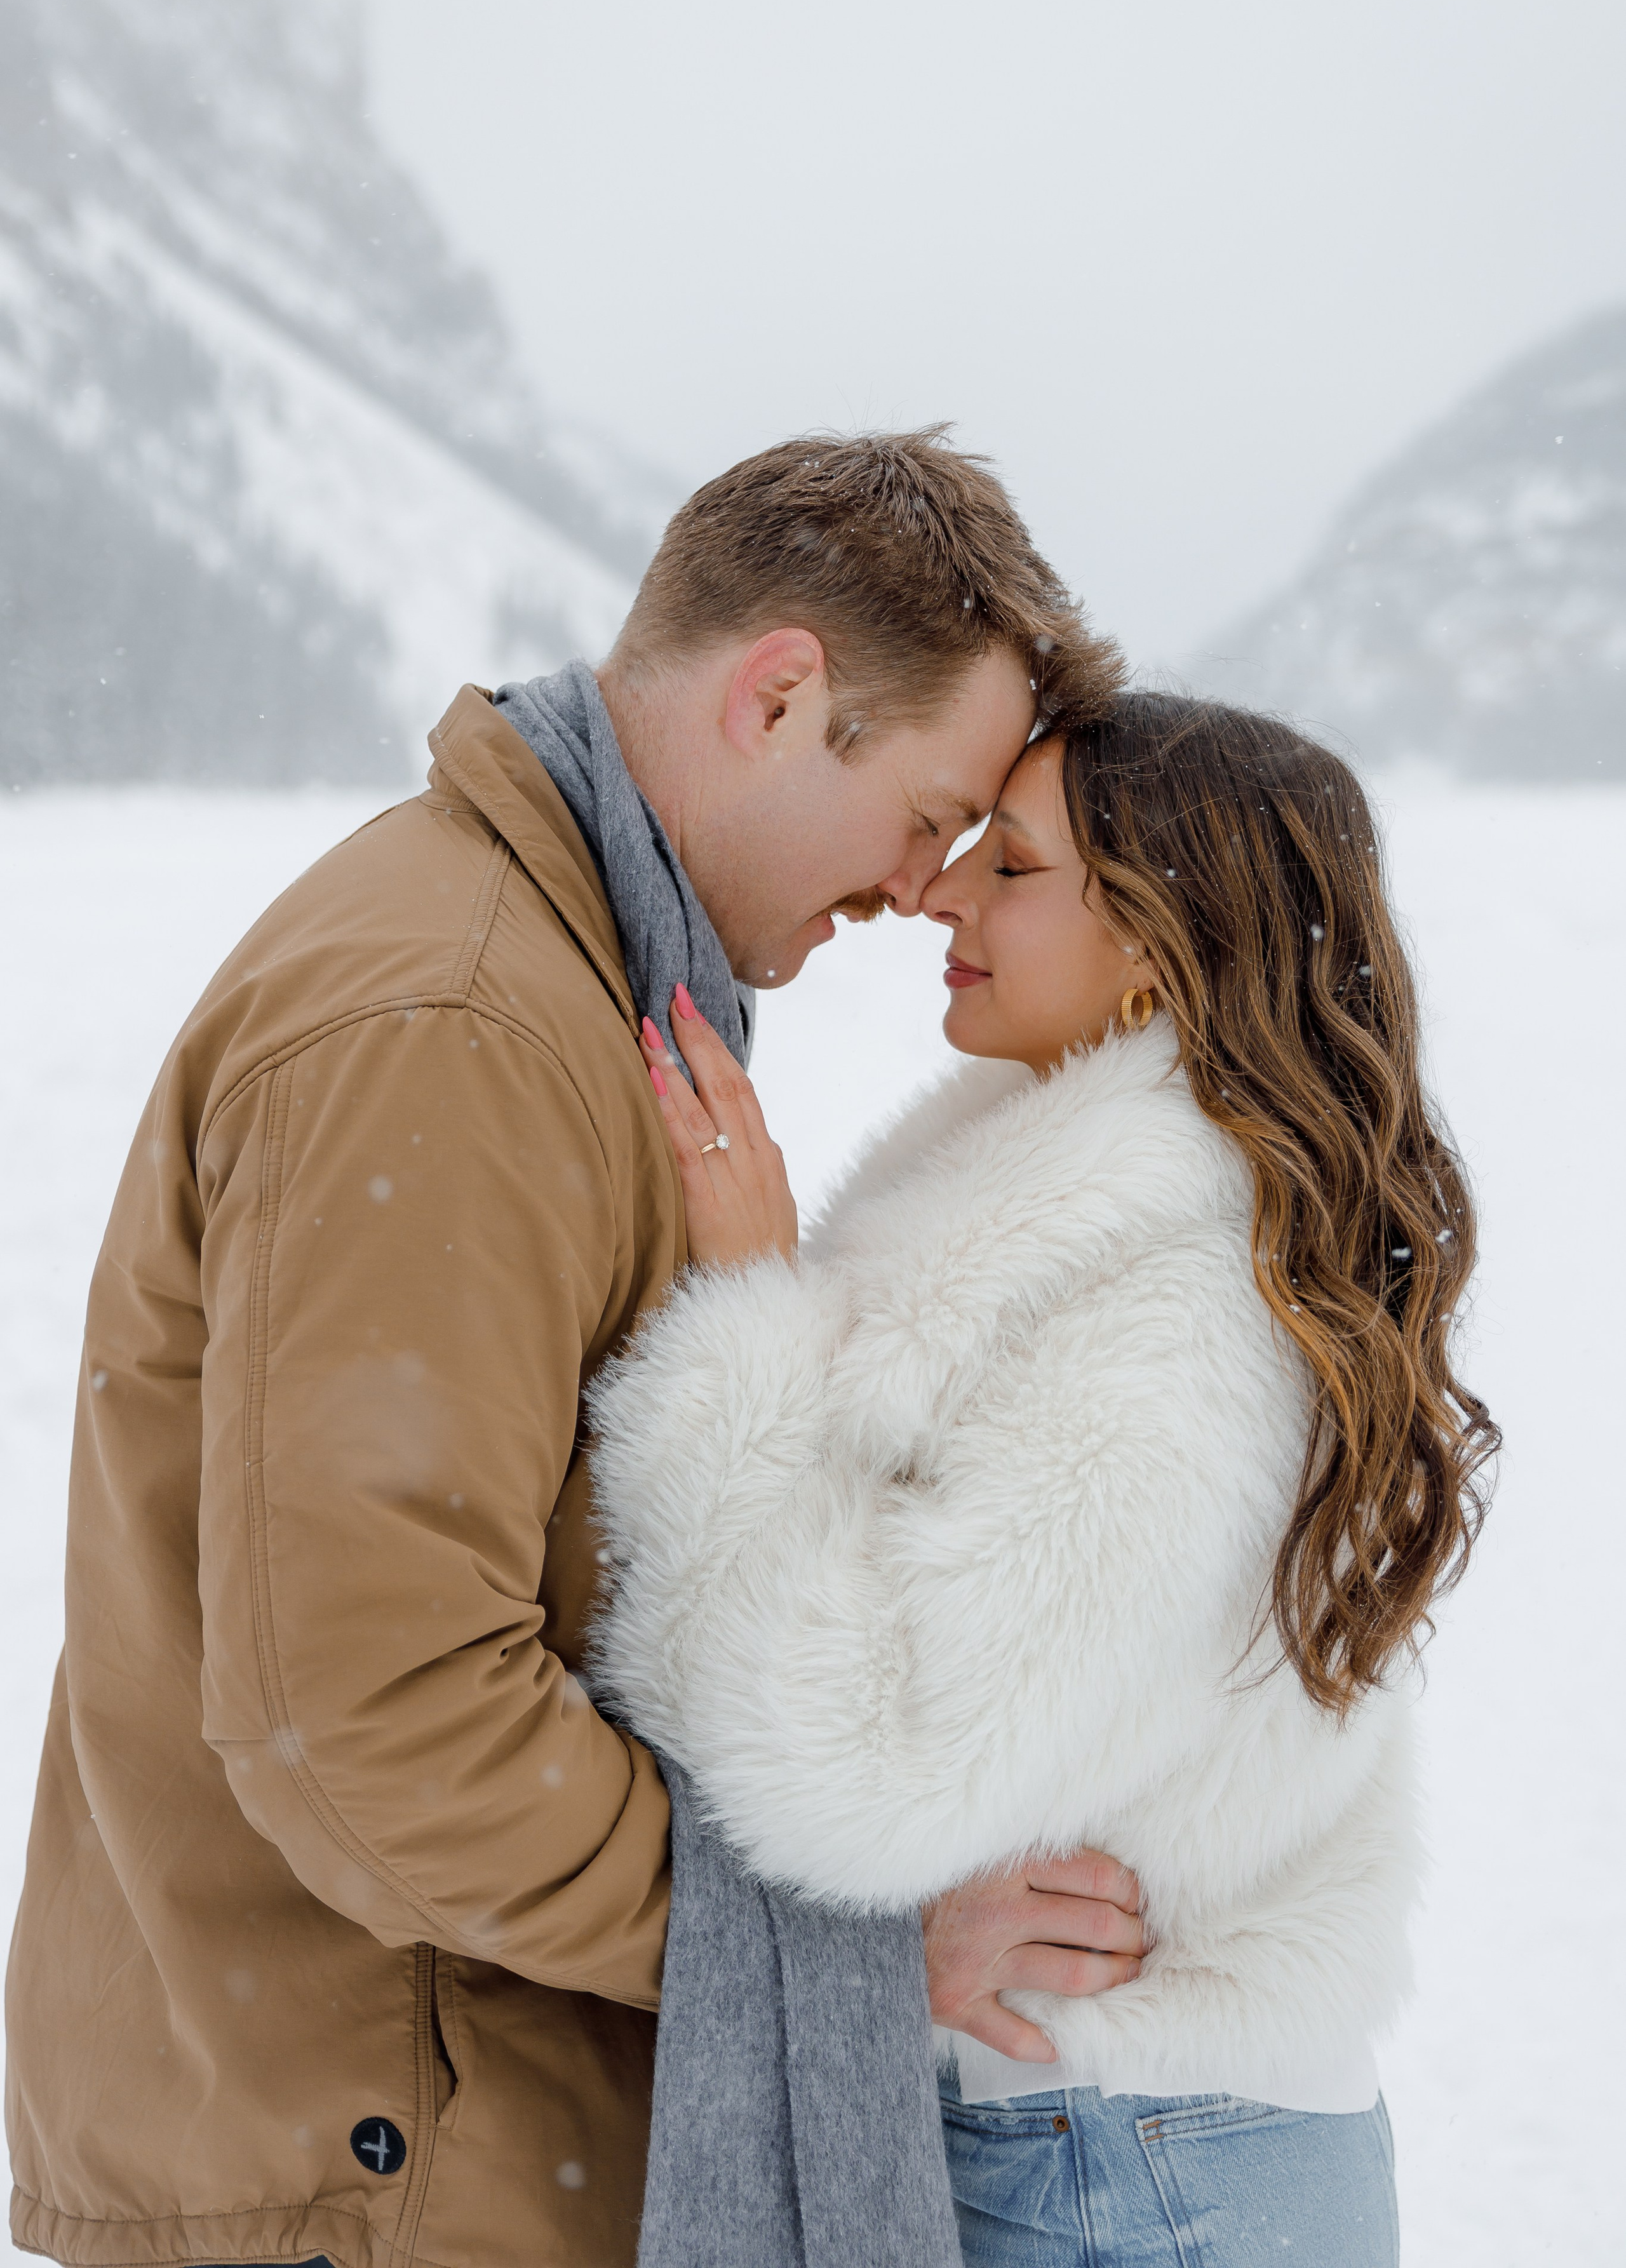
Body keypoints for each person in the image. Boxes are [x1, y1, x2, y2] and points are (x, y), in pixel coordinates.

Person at [4, 432, 1138, 2268]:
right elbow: (372, 1718)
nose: (930, 887)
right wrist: (839, 1941)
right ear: (781, 696)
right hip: (390, 2176)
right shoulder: (453, 1023)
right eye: (932, 809)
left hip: (399, 2149)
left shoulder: (557, 980)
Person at [591, 691, 1498, 2268]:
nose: (938, 890)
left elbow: (865, 1765)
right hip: (1131, 2142)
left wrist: (745, 1318)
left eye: (1008, 867)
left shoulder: (1169, 1323)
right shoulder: (1115, 1221)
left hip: (1121, 2168)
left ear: (1159, 944)